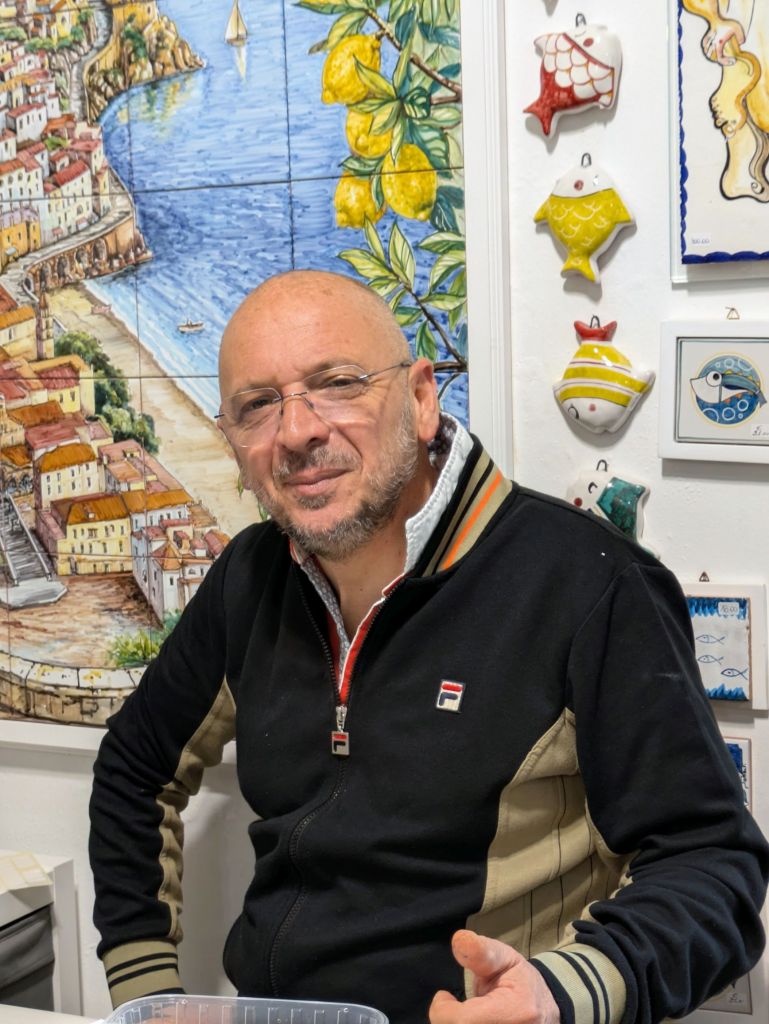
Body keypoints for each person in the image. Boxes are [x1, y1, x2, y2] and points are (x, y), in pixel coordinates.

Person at [89, 270, 768, 1024]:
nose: (297, 431)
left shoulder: (588, 584)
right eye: (257, 405)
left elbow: (712, 866)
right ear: (232, 441)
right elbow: (133, 767)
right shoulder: (247, 577)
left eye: (337, 384)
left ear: (420, 398)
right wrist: (147, 993)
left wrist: (559, 995)